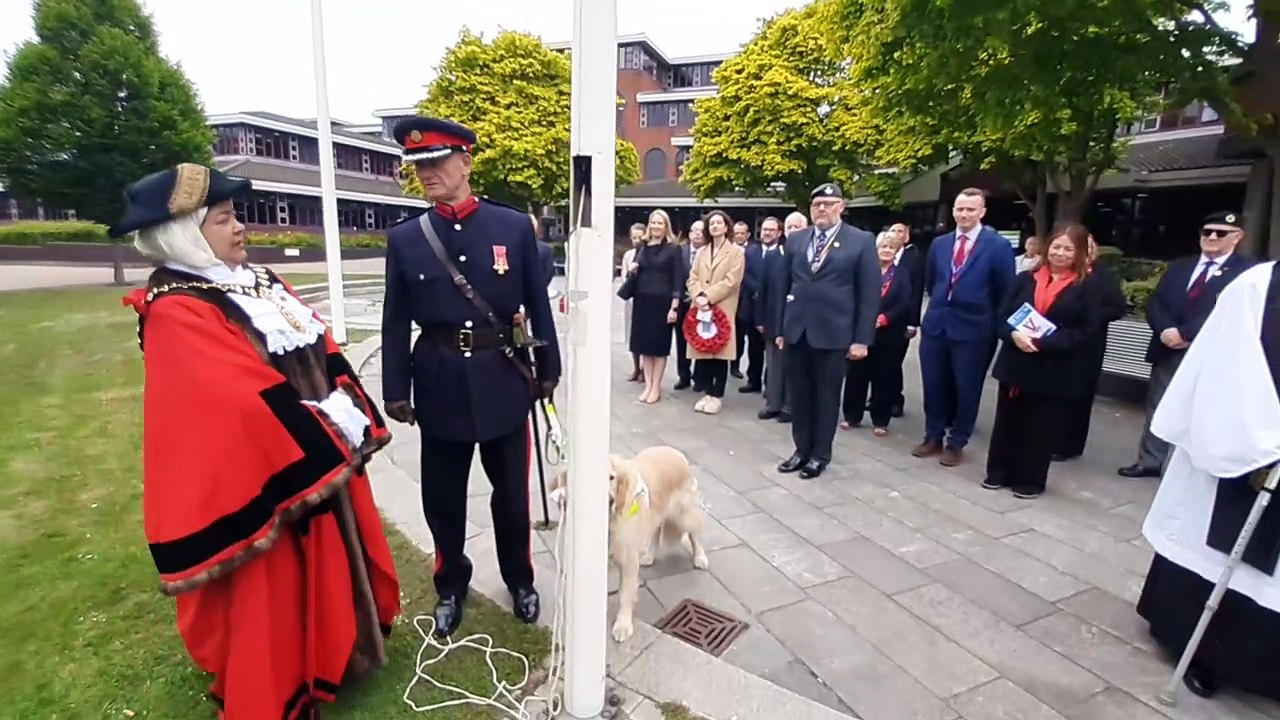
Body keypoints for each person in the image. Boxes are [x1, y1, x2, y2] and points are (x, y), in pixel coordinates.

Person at [115, 163, 402, 718]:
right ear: (183, 234)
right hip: (273, 465)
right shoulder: (176, 307)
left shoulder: (260, 281)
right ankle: (288, 675)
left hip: (315, 447)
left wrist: (347, 399)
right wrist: (323, 427)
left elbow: (318, 341)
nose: (240, 228)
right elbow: (234, 399)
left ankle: (345, 649)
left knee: (337, 552)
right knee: (275, 583)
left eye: (235, 216)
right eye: (223, 219)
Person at [380, 117, 561, 638]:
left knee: (510, 495)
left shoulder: (510, 228)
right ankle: (451, 585)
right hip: (438, 382)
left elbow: (536, 304)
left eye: (436, 162)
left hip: (502, 377)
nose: (427, 174)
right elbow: (395, 321)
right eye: (418, 166)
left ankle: (519, 579)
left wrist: (547, 367)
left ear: (465, 161)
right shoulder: (407, 239)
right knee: (442, 496)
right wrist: (396, 389)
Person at [1137, 258, 1280, 701]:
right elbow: (1229, 368)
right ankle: (1208, 653)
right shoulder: (1260, 286)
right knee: (1223, 554)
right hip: (1250, 448)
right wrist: (1265, 441)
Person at [1118, 211, 1254, 478]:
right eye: (1207, 232)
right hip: (1168, 348)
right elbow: (1156, 302)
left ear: (1237, 237)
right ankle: (1150, 460)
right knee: (1159, 404)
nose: (1212, 237)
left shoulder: (1246, 273)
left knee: (1204, 409)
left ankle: (1192, 468)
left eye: (1221, 233)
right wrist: (1166, 330)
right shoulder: (1180, 267)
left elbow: (1232, 311)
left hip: (1211, 351)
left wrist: (1186, 333)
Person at [982, 223, 1101, 499]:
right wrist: (1014, 336)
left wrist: (1044, 343)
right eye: (1056, 247)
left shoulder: (1087, 285)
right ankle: (999, 471)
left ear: (1080, 252)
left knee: (1041, 426)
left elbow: (1087, 329)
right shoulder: (1026, 278)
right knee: (1007, 421)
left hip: (1054, 366)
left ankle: (1031, 479)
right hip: (1016, 361)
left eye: (1068, 249)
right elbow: (1002, 317)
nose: (1060, 253)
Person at [775, 182, 880, 479]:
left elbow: (869, 294)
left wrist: (861, 339)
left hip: (834, 334)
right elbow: (784, 285)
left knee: (826, 396)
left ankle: (820, 454)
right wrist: (781, 327)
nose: (822, 208)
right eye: (817, 204)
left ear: (841, 207)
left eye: (828, 204)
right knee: (799, 395)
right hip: (798, 331)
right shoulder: (797, 240)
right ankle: (801, 449)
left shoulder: (860, 241)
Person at [914, 188, 1016, 467]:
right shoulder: (941, 244)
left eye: (970, 209)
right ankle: (933, 435)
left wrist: (992, 326)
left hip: (974, 330)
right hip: (937, 326)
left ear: (982, 212)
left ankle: (957, 441)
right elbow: (932, 280)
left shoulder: (997, 246)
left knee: (966, 387)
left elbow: (1004, 291)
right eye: (959, 209)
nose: (963, 214)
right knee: (933, 384)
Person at [1053, 236, 1127, 461]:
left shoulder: (1101, 275)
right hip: (1059, 340)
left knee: (1080, 395)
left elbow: (1117, 307)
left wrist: (1089, 316)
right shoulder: (1062, 272)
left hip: (1088, 344)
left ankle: (1069, 445)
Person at [841, 232, 913, 435]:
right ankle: (851, 416)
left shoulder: (902, 274)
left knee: (884, 376)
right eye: (883, 247)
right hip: (862, 331)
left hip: (889, 333)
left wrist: (885, 318)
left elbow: (905, 302)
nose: (887, 251)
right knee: (856, 375)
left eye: (891, 248)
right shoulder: (864, 272)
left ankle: (881, 420)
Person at [685, 209, 745, 414]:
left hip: (722, 307)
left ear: (726, 226)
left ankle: (717, 395)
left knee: (719, 353)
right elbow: (692, 277)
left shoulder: (735, 252)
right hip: (701, 308)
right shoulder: (702, 251)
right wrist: (698, 296)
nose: (715, 226)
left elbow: (732, 281)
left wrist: (708, 296)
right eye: (711, 224)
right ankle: (707, 393)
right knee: (703, 351)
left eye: (719, 223)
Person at [624, 209, 684, 404]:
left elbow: (677, 279)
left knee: (658, 348)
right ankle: (648, 384)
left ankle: (656, 386)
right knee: (644, 347)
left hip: (662, 302)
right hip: (642, 301)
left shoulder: (673, 248)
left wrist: (674, 307)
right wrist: (632, 269)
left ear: (666, 226)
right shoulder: (643, 246)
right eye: (654, 223)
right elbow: (634, 271)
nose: (657, 226)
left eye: (660, 223)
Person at [755, 215, 790, 422]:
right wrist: (760, 319)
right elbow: (763, 289)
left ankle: (790, 406)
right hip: (773, 319)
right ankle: (774, 404)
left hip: (798, 321)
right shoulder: (772, 257)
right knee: (774, 365)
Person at [675, 220, 707, 391]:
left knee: (701, 339)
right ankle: (683, 375)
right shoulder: (680, 252)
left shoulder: (709, 253)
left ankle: (699, 377)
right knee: (681, 341)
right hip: (681, 303)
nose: (698, 234)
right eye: (695, 231)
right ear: (689, 234)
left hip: (701, 303)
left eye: (701, 231)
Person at [735, 220, 765, 392]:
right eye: (736, 233)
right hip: (743, 303)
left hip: (759, 304)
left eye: (742, 233)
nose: (739, 236)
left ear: (748, 234)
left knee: (759, 346)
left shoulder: (755, 251)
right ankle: (740, 370)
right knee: (742, 341)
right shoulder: (747, 253)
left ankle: (761, 380)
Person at [621, 224, 645, 383]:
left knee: (644, 336)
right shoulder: (628, 255)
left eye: (639, 237)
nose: (637, 240)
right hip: (631, 300)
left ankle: (644, 369)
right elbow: (624, 277)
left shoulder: (648, 254)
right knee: (632, 336)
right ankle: (636, 367)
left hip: (646, 301)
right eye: (634, 237)